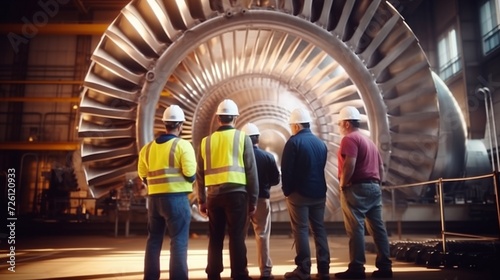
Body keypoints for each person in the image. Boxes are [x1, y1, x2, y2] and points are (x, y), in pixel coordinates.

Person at [196, 99, 259, 280]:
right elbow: (251, 172)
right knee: (237, 237)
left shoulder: (205, 142)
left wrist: (201, 200)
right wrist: (253, 200)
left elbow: (200, 174)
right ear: (235, 118)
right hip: (237, 196)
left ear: (218, 119)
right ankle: (239, 274)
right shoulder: (242, 138)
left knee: (215, 236)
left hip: (214, 196)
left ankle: (213, 273)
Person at [138, 105, 196, 280]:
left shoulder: (146, 149)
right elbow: (191, 175)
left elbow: (143, 176)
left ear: (165, 124)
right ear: (180, 126)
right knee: (178, 241)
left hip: (154, 201)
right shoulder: (183, 146)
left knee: (153, 241)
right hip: (176, 200)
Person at [334, 106, 392, 279]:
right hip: (374, 187)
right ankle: (385, 268)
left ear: (346, 123)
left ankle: (357, 268)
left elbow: (349, 163)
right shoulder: (369, 141)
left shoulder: (349, 139)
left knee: (356, 228)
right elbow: (381, 167)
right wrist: (378, 185)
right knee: (378, 228)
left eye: (339, 123)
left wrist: (344, 184)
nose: (339, 127)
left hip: (356, 187)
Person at [281, 107, 330, 280]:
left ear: (295, 126)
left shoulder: (293, 142)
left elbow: (286, 171)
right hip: (319, 194)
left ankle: (303, 269)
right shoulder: (320, 143)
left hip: (299, 194)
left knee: (301, 230)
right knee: (319, 229)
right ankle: (324, 268)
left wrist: (287, 191)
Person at [242, 122, 281, 280]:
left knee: (240, 236)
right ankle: (265, 272)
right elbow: (276, 180)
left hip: (242, 200)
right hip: (262, 200)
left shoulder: (239, 157)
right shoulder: (268, 157)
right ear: (258, 138)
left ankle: (241, 270)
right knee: (263, 235)